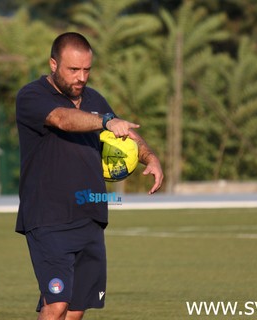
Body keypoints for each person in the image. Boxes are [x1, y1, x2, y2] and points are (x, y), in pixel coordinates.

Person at [15, 32, 163, 320]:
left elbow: (126, 134)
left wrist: (151, 157)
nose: (81, 77)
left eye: (86, 70)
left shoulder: (95, 98)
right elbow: (62, 119)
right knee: (56, 304)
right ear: (53, 64)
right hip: (48, 217)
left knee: (76, 310)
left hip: (91, 215)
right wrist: (107, 121)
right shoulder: (32, 95)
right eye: (73, 70)